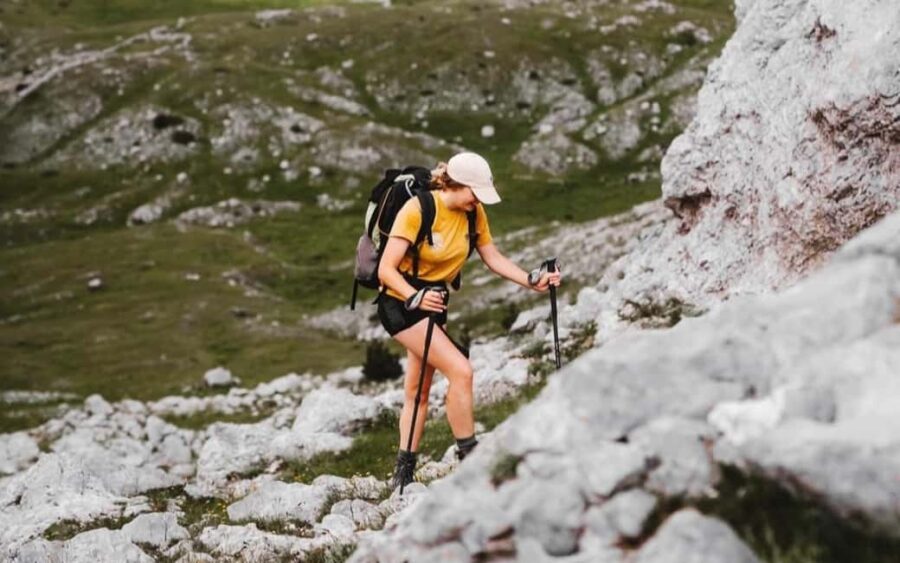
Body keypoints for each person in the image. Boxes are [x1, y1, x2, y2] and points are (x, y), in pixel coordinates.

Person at [376, 152, 562, 490]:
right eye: (475, 194)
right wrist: (414, 296)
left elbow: (492, 257)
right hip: (400, 302)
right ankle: (471, 461)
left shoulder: (473, 213)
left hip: (435, 303)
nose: (477, 201)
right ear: (456, 184)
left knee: (418, 390)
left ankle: (402, 473)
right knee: (461, 371)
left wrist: (531, 280)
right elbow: (385, 270)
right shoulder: (418, 210)